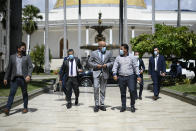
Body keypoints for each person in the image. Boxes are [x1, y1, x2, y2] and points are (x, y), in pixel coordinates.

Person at [3, 43, 33, 116]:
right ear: (18, 49)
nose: (24, 50)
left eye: (24, 48)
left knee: (24, 93)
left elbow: (30, 67)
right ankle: (8, 108)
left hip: (23, 78)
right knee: (11, 94)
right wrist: (5, 78)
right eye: (22, 48)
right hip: (15, 78)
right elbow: (9, 69)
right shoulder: (12, 57)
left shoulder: (27, 57)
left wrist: (29, 75)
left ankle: (25, 107)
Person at [112, 44, 141, 113]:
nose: (120, 50)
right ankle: (123, 106)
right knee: (123, 93)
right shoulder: (118, 57)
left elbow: (136, 67)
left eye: (121, 49)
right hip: (121, 77)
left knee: (132, 90)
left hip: (130, 76)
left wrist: (138, 76)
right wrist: (114, 74)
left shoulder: (132, 57)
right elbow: (115, 66)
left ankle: (132, 105)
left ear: (126, 50)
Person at [88, 41, 114, 112]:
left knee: (103, 89)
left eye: (105, 46)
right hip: (96, 73)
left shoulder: (109, 53)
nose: (104, 48)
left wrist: (107, 65)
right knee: (96, 87)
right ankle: (96, 104)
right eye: (103, 46)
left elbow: (112, 62)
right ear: (99, 47)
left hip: (105, 73)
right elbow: (89, 62)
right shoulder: (93, 53)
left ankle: (102, 104)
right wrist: (96, 65)